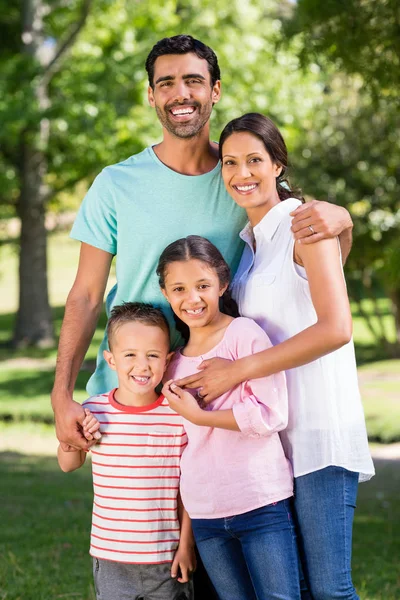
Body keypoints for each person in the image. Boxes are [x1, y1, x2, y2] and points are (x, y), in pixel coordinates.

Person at [51, 35, 354, 456]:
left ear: (215, 90)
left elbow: (306, 246)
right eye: (167, 82)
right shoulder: (115, 184)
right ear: (151, 95)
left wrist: (343, 219)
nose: (181, 93)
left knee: (216, 520)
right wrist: (60, 393)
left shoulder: (242, 177)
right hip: (136, 395)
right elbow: (84, 296)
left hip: (221, 393)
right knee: (133, 520)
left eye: (193, 80)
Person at [175, 113, 375, 600]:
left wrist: (237, 371)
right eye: (230, 163)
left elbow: (337, 327)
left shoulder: (304, 225)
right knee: (299, 588)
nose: (241, 173)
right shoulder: (248, 249)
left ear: (278, 164)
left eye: (254, 160)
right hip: (274, 439)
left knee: (329, 589)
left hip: (320, 436)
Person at [157, 235, 300, 600]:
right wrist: (185, 537)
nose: (192, 298)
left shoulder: (243, 334)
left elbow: (270, 414)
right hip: (205, 512)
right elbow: (181, 447)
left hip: (259, 501)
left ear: (222, 283)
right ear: (166, 293)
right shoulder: (172, 363)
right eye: (179, 289)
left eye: (203, 286)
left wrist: (202, 417)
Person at [57, 302, 195, 600]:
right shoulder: (93, 410)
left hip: (165, 557)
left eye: (153, 355)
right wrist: (74, 439)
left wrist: (186, 546)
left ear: (168, 359)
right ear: (111, 360)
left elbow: (189, 488)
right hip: (111, 557)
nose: (142, 366)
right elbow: (69, 464)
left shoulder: (177, 415)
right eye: (130, 355)